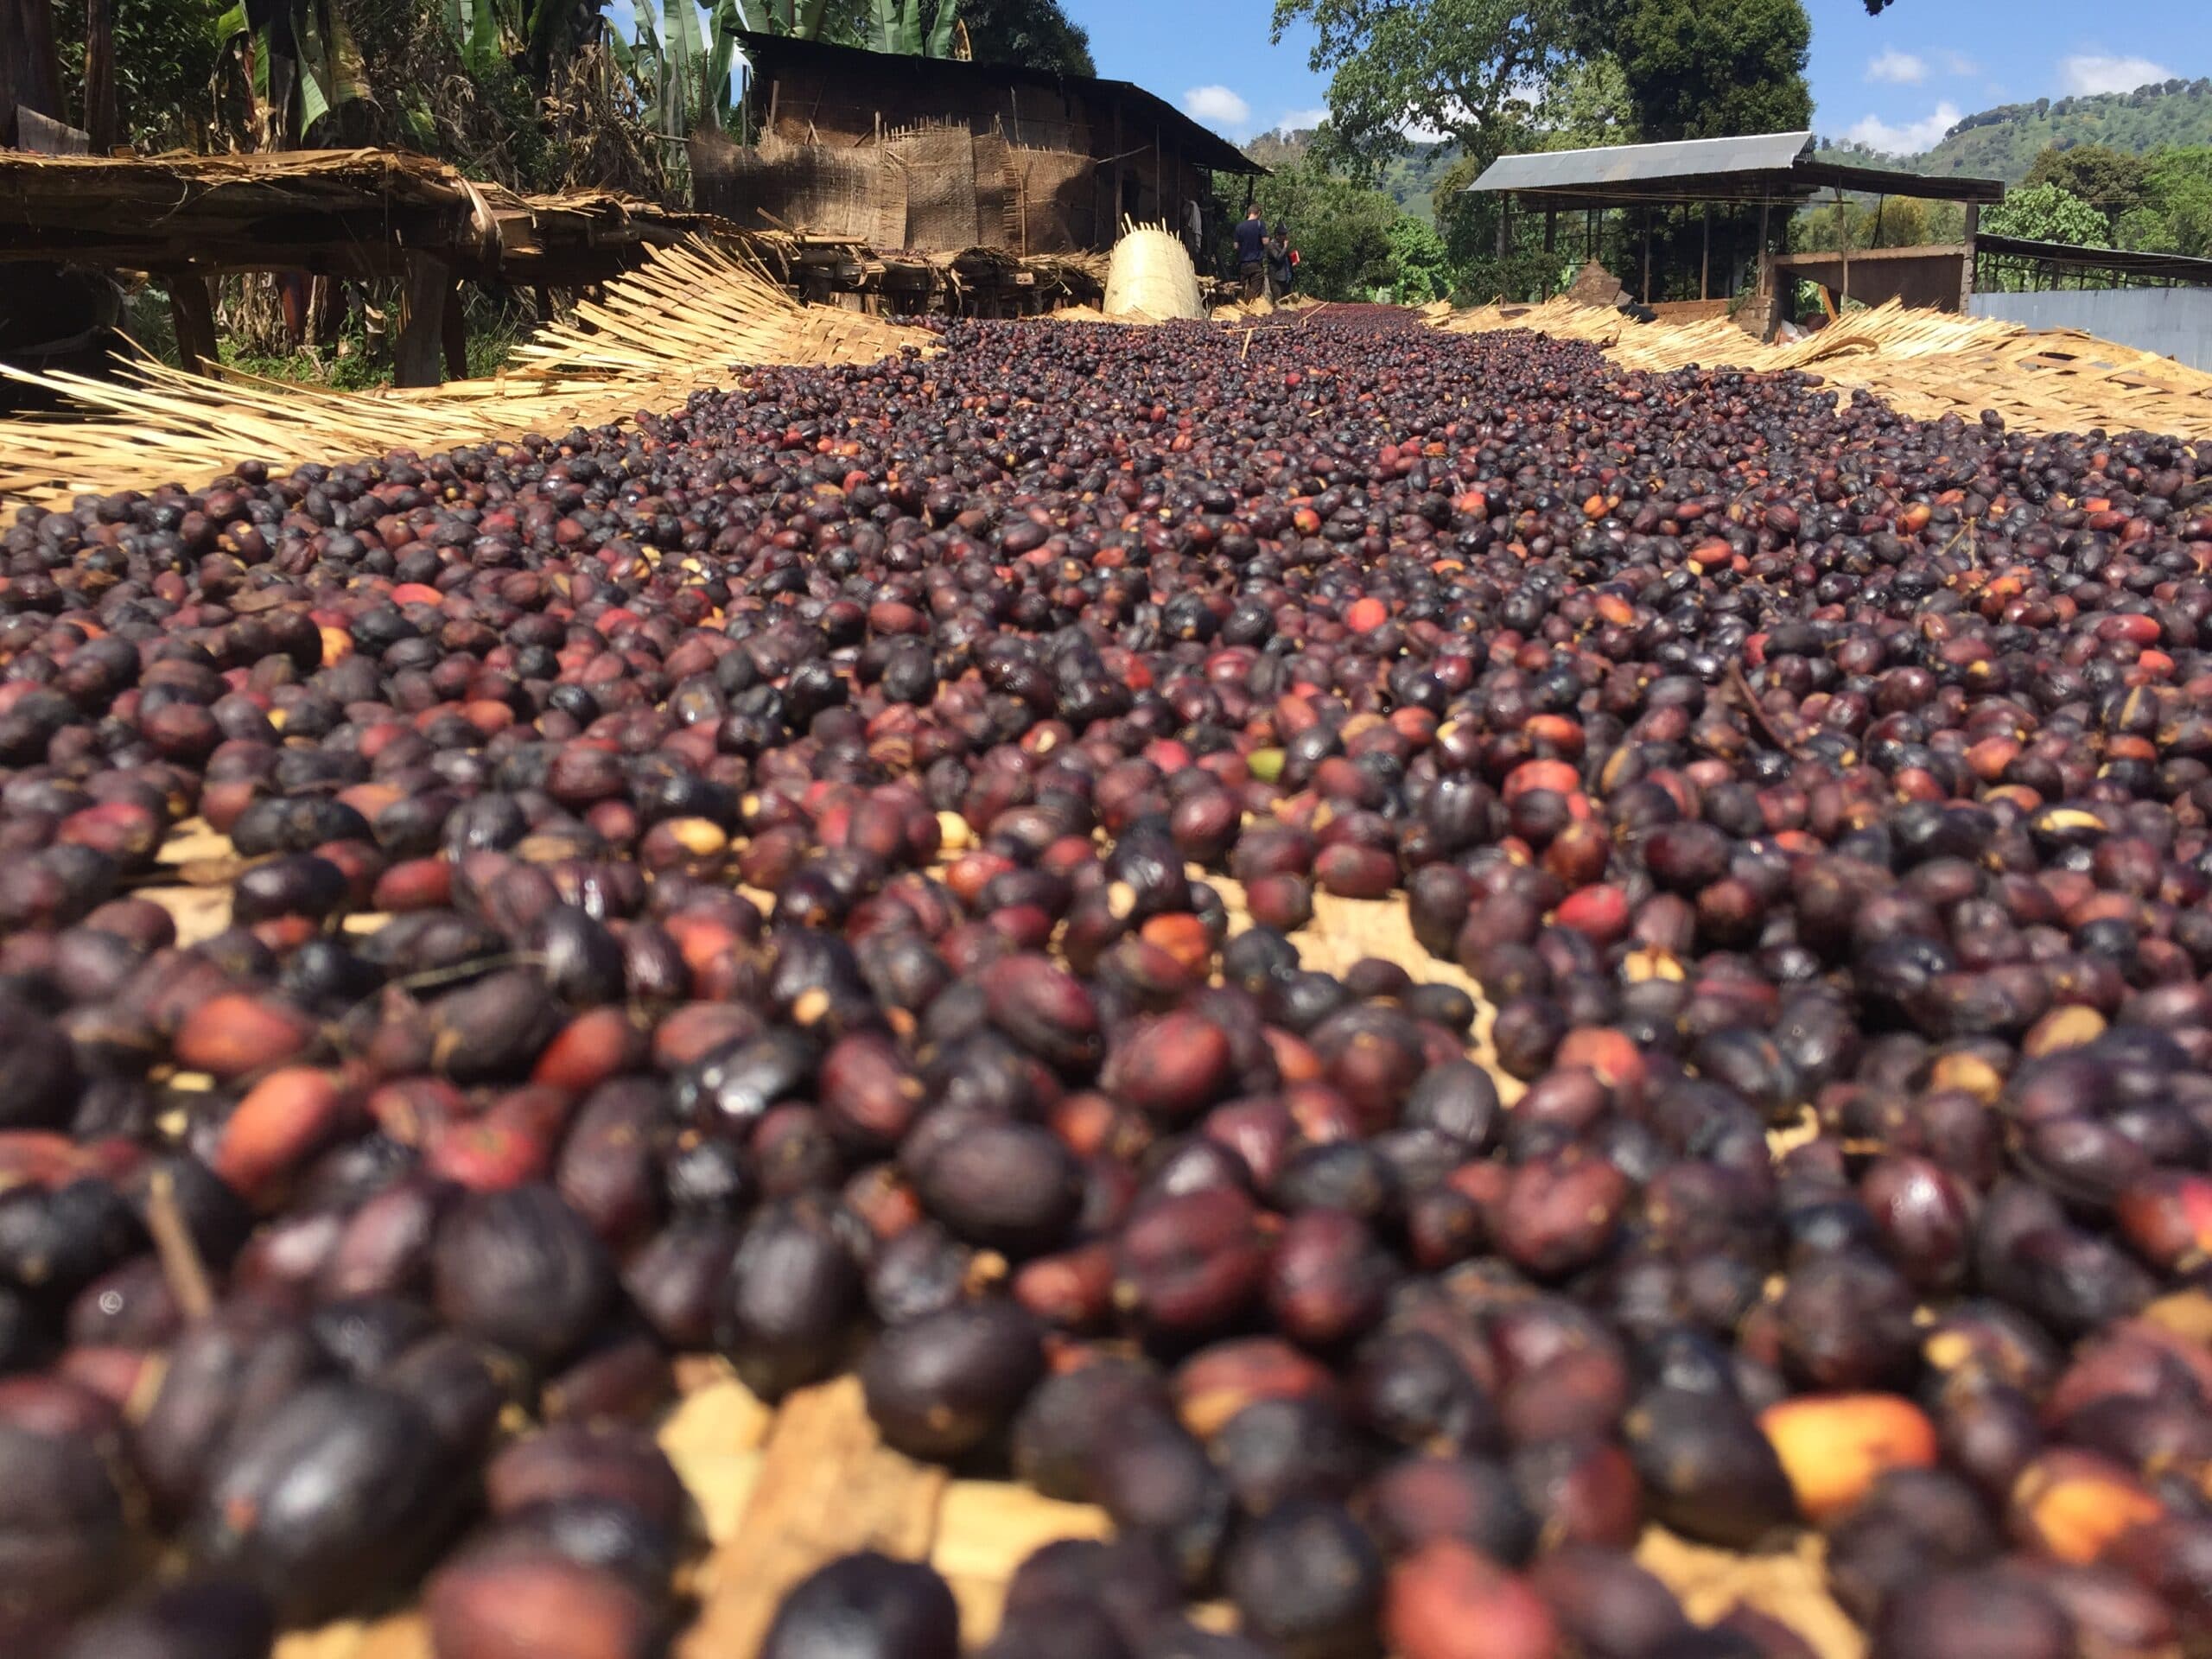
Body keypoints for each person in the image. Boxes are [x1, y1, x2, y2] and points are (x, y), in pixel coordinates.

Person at [1233, 205, 1268, 302]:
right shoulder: (1260, 224)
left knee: (1241, 289)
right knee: (1254, 291)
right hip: (1256, 263)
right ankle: (1250, 308)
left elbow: (1236, 246)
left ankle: (1239, 304)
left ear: (1248, 213)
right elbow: (1265, 241)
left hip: (1243, 263)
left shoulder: (1239, 227)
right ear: (1259, 213)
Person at [1266, 226, 1296, 300]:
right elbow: (1278, 258)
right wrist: (1285, 248)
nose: (1285, 237)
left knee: (1290, 300)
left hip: (1287, 277)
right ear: (1277, 236)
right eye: (1283, 235)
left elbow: (1286, 258)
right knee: (1278, 300)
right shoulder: (1271, 246)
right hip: (1277, 278)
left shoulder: (1282, 245)